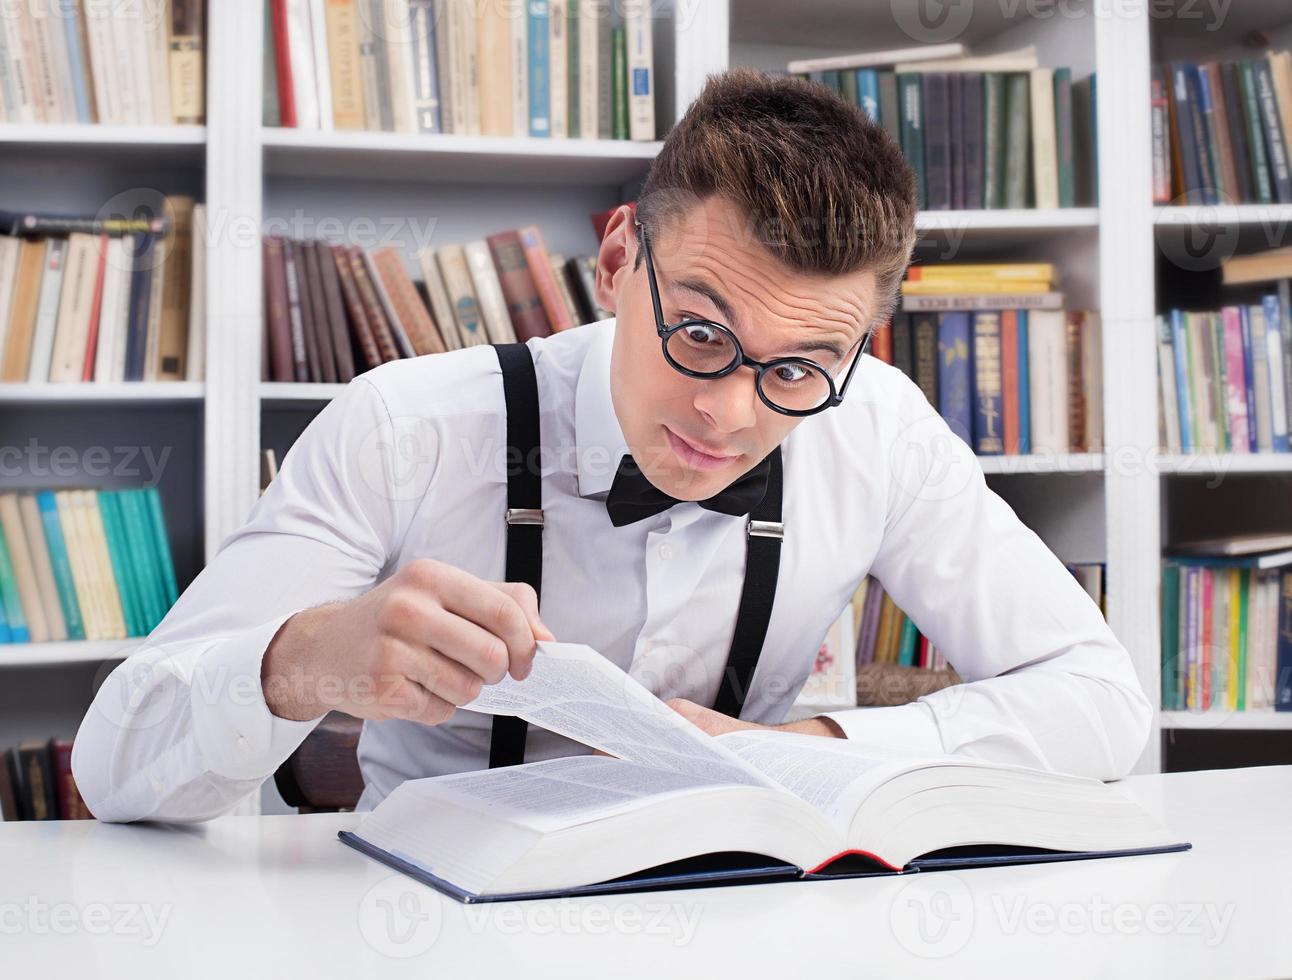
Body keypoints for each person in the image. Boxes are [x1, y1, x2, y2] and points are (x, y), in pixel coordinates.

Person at [73, 69, 1151, 823]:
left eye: (794, 368)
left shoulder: (878, 427)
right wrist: (300, 659)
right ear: (617, 257)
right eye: (699, 333)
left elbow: (1100, 702)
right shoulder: (400, 427)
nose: (730, 412)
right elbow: (117, 767)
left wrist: (802, 749)